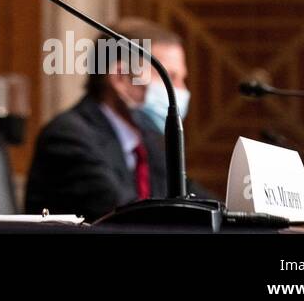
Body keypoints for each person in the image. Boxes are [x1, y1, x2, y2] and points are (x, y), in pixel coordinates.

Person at [24, 17, 196, 220]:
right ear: (121, 78)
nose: (182, 90)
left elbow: (192, 202)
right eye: (170, 77)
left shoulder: (150, 142)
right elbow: (129, 218)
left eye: (181, 79)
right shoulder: (67, 137)